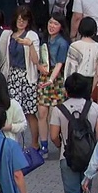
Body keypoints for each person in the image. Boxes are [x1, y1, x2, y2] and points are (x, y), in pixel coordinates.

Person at [50, 73, 98, 193]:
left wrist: (61, 145)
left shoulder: (58, 110)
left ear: (67, 91)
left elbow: (53, 136)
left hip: (67, 156)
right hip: (89, 156)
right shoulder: (94, 108)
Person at [7, 5, 41, 150]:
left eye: (24, 20)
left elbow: (36, 60)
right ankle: (14, 144)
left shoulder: (31, 35)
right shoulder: (9, 35)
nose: (21, 22)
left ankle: (34, 143)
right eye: (19, 19)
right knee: (13, 110)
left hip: (27, 77)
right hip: (13, 75)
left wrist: (30, 45)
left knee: (29, 112)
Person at [37, 13, 70, 158]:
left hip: (56, 80)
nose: (52, 26)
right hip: (44, 76)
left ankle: (61, 143)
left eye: (56, 24)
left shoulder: (63, 43)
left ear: (61, 27)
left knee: (57, 114)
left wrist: (50, 80)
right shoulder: (43, 39)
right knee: (42, 113)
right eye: (50, 22)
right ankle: (43, 145)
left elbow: (59, 64)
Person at [64, 17, 98, 87]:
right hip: (92, 81)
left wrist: (67, 85)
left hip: (77, 81)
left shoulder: (74, 46)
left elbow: (70, 68)